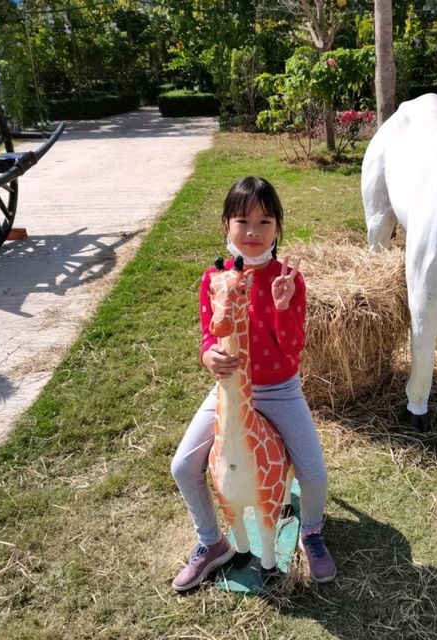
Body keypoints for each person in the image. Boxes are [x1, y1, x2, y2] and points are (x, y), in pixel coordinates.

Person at [171, 176, 336, 591]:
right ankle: (212, 542)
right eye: (242, 220)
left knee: (314, 472)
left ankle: (311, 532)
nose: (253, 232)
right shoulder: (215, 277)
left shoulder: (288, 280)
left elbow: (293, 349)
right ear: (225, 224)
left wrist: (282, 307)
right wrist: (207, 354)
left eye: (265, 221)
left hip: (279, 389)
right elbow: (209, 333)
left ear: (278, 228)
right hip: (229, 389)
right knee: (183, 466)